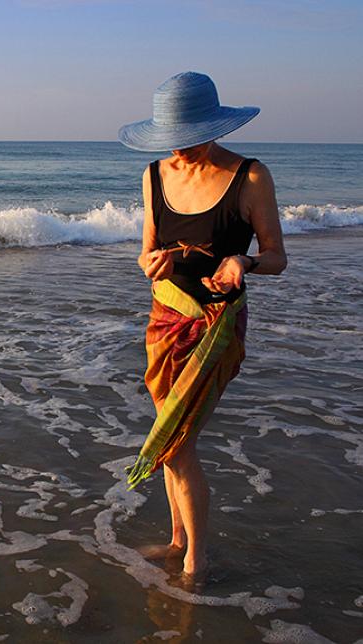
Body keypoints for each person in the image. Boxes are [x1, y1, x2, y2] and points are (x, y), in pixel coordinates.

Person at [118, 71, 287, 578]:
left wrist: (245, 262)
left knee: (178, 442)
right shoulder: (153, 176)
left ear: (214, 129)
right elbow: (146, 252)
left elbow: (277, 256)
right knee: (171, 441)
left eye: (187, 140)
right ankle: (176, 540)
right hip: (164, 319)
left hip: (216, 327)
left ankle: (196, 559)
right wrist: (151, 264)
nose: (178, 152)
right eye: (170, 142)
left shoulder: (250, 176)